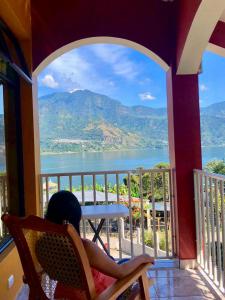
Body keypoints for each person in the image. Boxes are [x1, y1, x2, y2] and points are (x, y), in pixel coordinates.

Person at [45, 190, 154, 299]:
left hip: (66, 295)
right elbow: (121, 272)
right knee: (133, 267)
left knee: (119, 261)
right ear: (76, 216)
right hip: (102, 294)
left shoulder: (46, 245)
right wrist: (142, 258)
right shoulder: (85, 248)